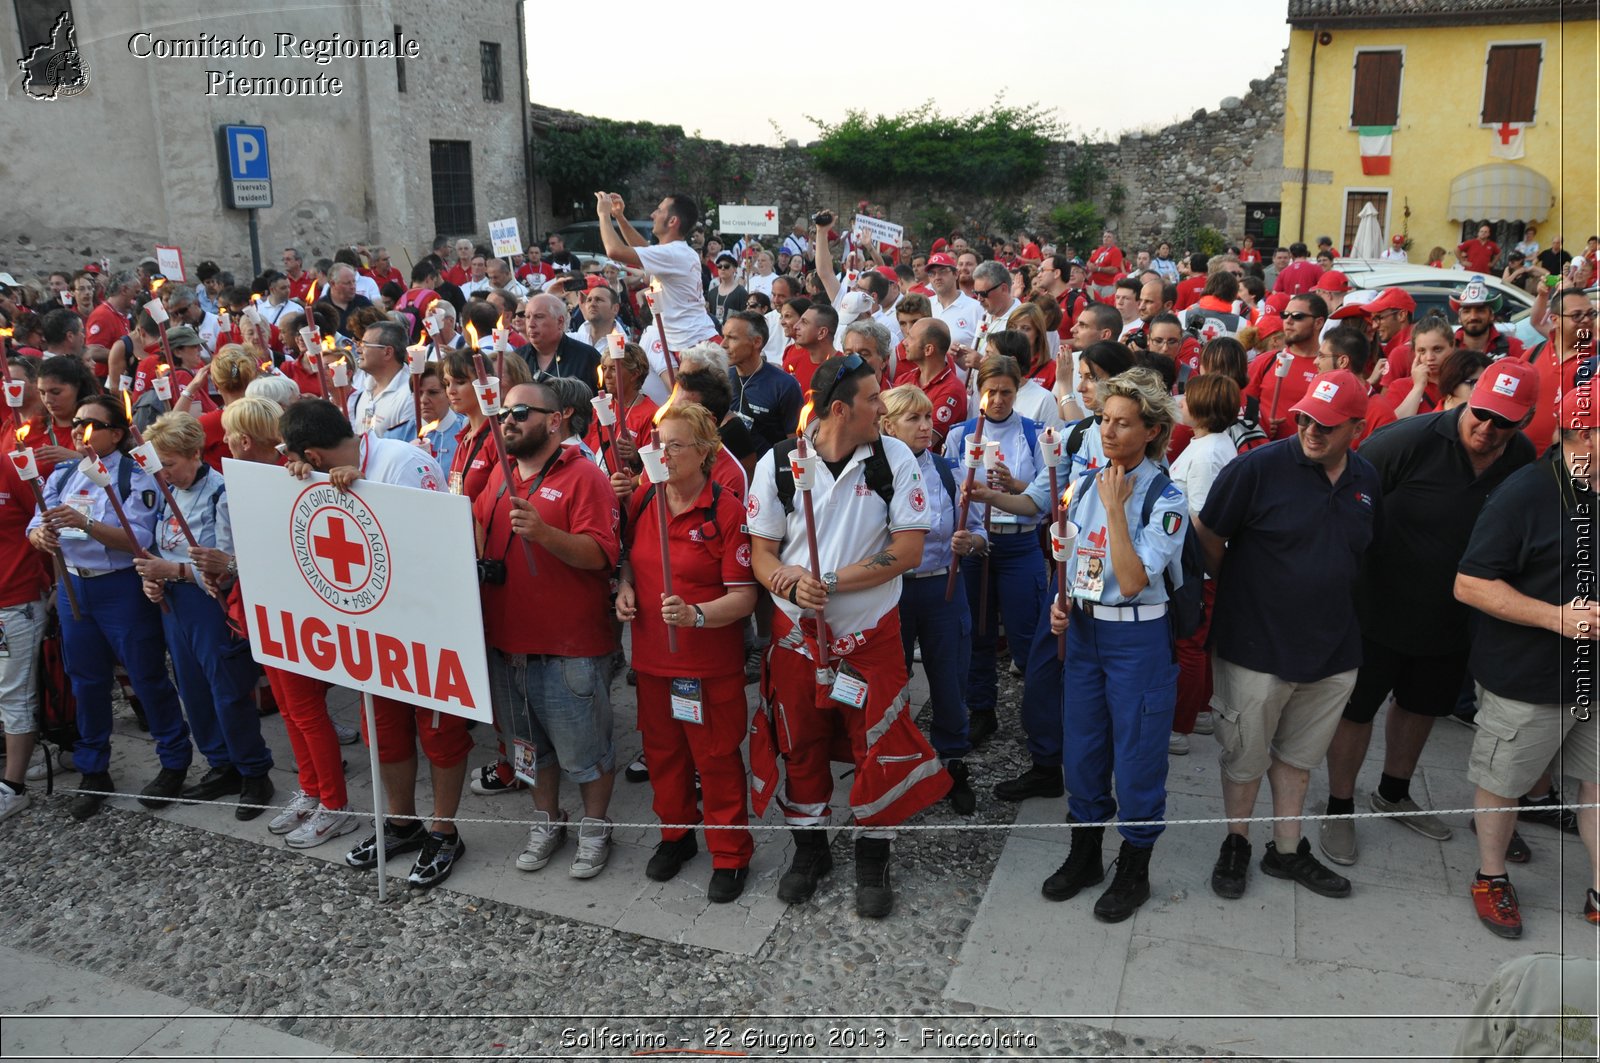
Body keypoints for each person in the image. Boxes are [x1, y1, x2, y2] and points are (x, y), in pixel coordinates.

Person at [1316, 363, 1538, 869]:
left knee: (1422, 707)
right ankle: (1339, 806)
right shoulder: (1407, 440)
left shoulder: (1520, 456)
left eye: (1502, 421)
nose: (1487, 427)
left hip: (1453, 614)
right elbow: (1344, 491)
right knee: (1356, 709)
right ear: (1468, 399)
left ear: (1524, 421)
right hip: (1375, 606)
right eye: (1480, 413)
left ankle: (1393, 792)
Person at [745, 353, 943, 919]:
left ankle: (872, 853)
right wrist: (784, 577)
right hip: (795, 636)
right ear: (840, 408)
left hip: (870, 634)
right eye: (874, 399)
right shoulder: (782, 461)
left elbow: (907, 550)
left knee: (875, 741)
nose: (884, 407)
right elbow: (761, 552)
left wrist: (829, 581)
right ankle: (810, 850)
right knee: (800, 740)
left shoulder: (894, 457)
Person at [1195, 370, 1380, 903]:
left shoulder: (1366, 479)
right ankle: (1236, 843)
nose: (1311, 430)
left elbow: (1365, 552)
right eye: (1304, 418)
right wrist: (1241, 587)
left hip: (1333, 650)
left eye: (1325, 424)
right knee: (1244, 754)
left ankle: (1287, 847)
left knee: (1299, 758)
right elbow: (1209, 533)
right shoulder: (1257, 467)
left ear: (1356, 430)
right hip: (1256, 646)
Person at [278, 399, 465, 888]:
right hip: (372, 630)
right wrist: (306, 480)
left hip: (427, 626)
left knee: (440, 733)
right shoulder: (318, 472)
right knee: (385, 730)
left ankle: (444, 832)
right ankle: (402, 823)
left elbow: (442, 541)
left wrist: (366, 498)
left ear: (314, 454)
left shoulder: (406, 463)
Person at [1035, 369, 1186, 923]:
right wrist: (1064, 601)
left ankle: (1135, 863)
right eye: (1104, 420)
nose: (1108, 432)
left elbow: (1131, 577)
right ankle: (1084, 852)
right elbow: (1076, 559)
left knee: (1138, 751)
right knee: (1083, 746)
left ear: (1150, 430)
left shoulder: (1165, 496)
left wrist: (1119, 507)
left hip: (1138, 637)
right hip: (1086, 632)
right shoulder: (1088, 479)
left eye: (1123, 424)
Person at [1456, 381, 1600, 938]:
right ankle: (1491, 877)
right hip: (1526, 677)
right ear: (1582, 433)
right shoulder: (1527, 493)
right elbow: (1469, 584)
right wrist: (1558, 617)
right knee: (1503, 781)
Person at [472, 381, 622, 880]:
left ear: (556, 419)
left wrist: (544, 533)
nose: (508, 420)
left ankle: (595, 827)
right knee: (528, 748)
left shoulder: (585, 478)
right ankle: (547, 819)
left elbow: (602, 555)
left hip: (568, 648)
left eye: (520, 411)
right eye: (504, 411)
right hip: (505, 642)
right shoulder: (501, 470)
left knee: (586, 751)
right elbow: (477, 528)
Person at [615, 402, 756, 898]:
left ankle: (730, 851)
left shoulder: (727, 509)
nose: (663, 453)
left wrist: (697, 615)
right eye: (659, 443)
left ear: (704, 452)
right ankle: (676, 836)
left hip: (707, 665)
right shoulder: (644, 499)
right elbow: (630, 558)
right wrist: (625, 587)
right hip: (653, 659)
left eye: (674, 444)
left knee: (715, 758)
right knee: (663, 754)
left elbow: (744, 596)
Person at [26, 394, 190, 820]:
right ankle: (93, 768)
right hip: (75, 587)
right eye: (77, 421)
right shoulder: (64, 472)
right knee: (86, 681)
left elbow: (140, 538)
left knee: (146, 675)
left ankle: (174, 760)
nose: (79, 428)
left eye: (90, 423)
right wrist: (40, 538)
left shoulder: (134, 474)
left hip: (120, 586)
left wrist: (86, 524)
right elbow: (36, 523)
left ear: (115, 434)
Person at [132, 411, 274, 819]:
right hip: (176, 605)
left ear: (195, 453)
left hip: (210, 605)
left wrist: (174, 571)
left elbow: (232, 564)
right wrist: (153, 578)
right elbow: (163, 545)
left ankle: (253, 771)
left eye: (171, 464)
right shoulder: (165, 491)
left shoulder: (221, 494)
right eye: (161, 466)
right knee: (192, 689)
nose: (165, 473)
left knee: (227, 691)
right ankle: (221, 763)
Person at [881, 385, 981, 815]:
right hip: (892, 591)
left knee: (950, 676)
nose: (927, 426)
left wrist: (971, 541)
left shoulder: (944, 469)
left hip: (943, 586)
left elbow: (978, 531)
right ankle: (894, 762)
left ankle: (952, 761)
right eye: (914, 419)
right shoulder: (873, 474)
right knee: (890, 679)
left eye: (928, 417)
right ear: (887, 425)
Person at [942, 354, 1047, 748]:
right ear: (978, 391)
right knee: (977, 631)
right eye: (990, 391)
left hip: (1018, 543)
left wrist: (1015, 485)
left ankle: (1040, 717)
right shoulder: (961, 434)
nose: (998, 400)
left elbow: (1049, 495)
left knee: (1027, 634)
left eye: (1006, 391)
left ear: (1017, 390)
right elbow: (950, 491)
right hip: (974, 545)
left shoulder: (1034, 433)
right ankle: (981, 709)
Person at [1167, 374, 1240, 755]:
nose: (1179, 401)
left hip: (1196, 567)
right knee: (1198, 643)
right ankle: (1199, 711)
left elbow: (1201, 517)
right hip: (1197, 565)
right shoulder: (1209, 445)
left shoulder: (1208, 453)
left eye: (1187, 397)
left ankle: (1180, 725)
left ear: (1202, 408)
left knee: (1189, 645)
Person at [0, 397, 53, 819]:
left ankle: (12, 785)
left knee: (14, 692)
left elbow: (44, 521)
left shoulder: (10, 462)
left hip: (15, 598)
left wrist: (55, 587)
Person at [1244, 294, 1325, 439]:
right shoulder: (1265, 361)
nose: (1288, 321)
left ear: (1318, 323)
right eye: (1285, 315)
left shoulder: (1329, 367)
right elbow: (1243, 407)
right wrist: (1260, 423)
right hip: (1266, 453)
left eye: (1297, 316)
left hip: (1311, 455)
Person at [725, 310, 800, 457]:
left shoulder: (784, 385)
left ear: (756, 342)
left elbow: (794, 445)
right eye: (724, 336)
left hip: (766, 474)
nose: (723, 344)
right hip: (728, 473)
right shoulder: (720, 378)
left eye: (732, 338)